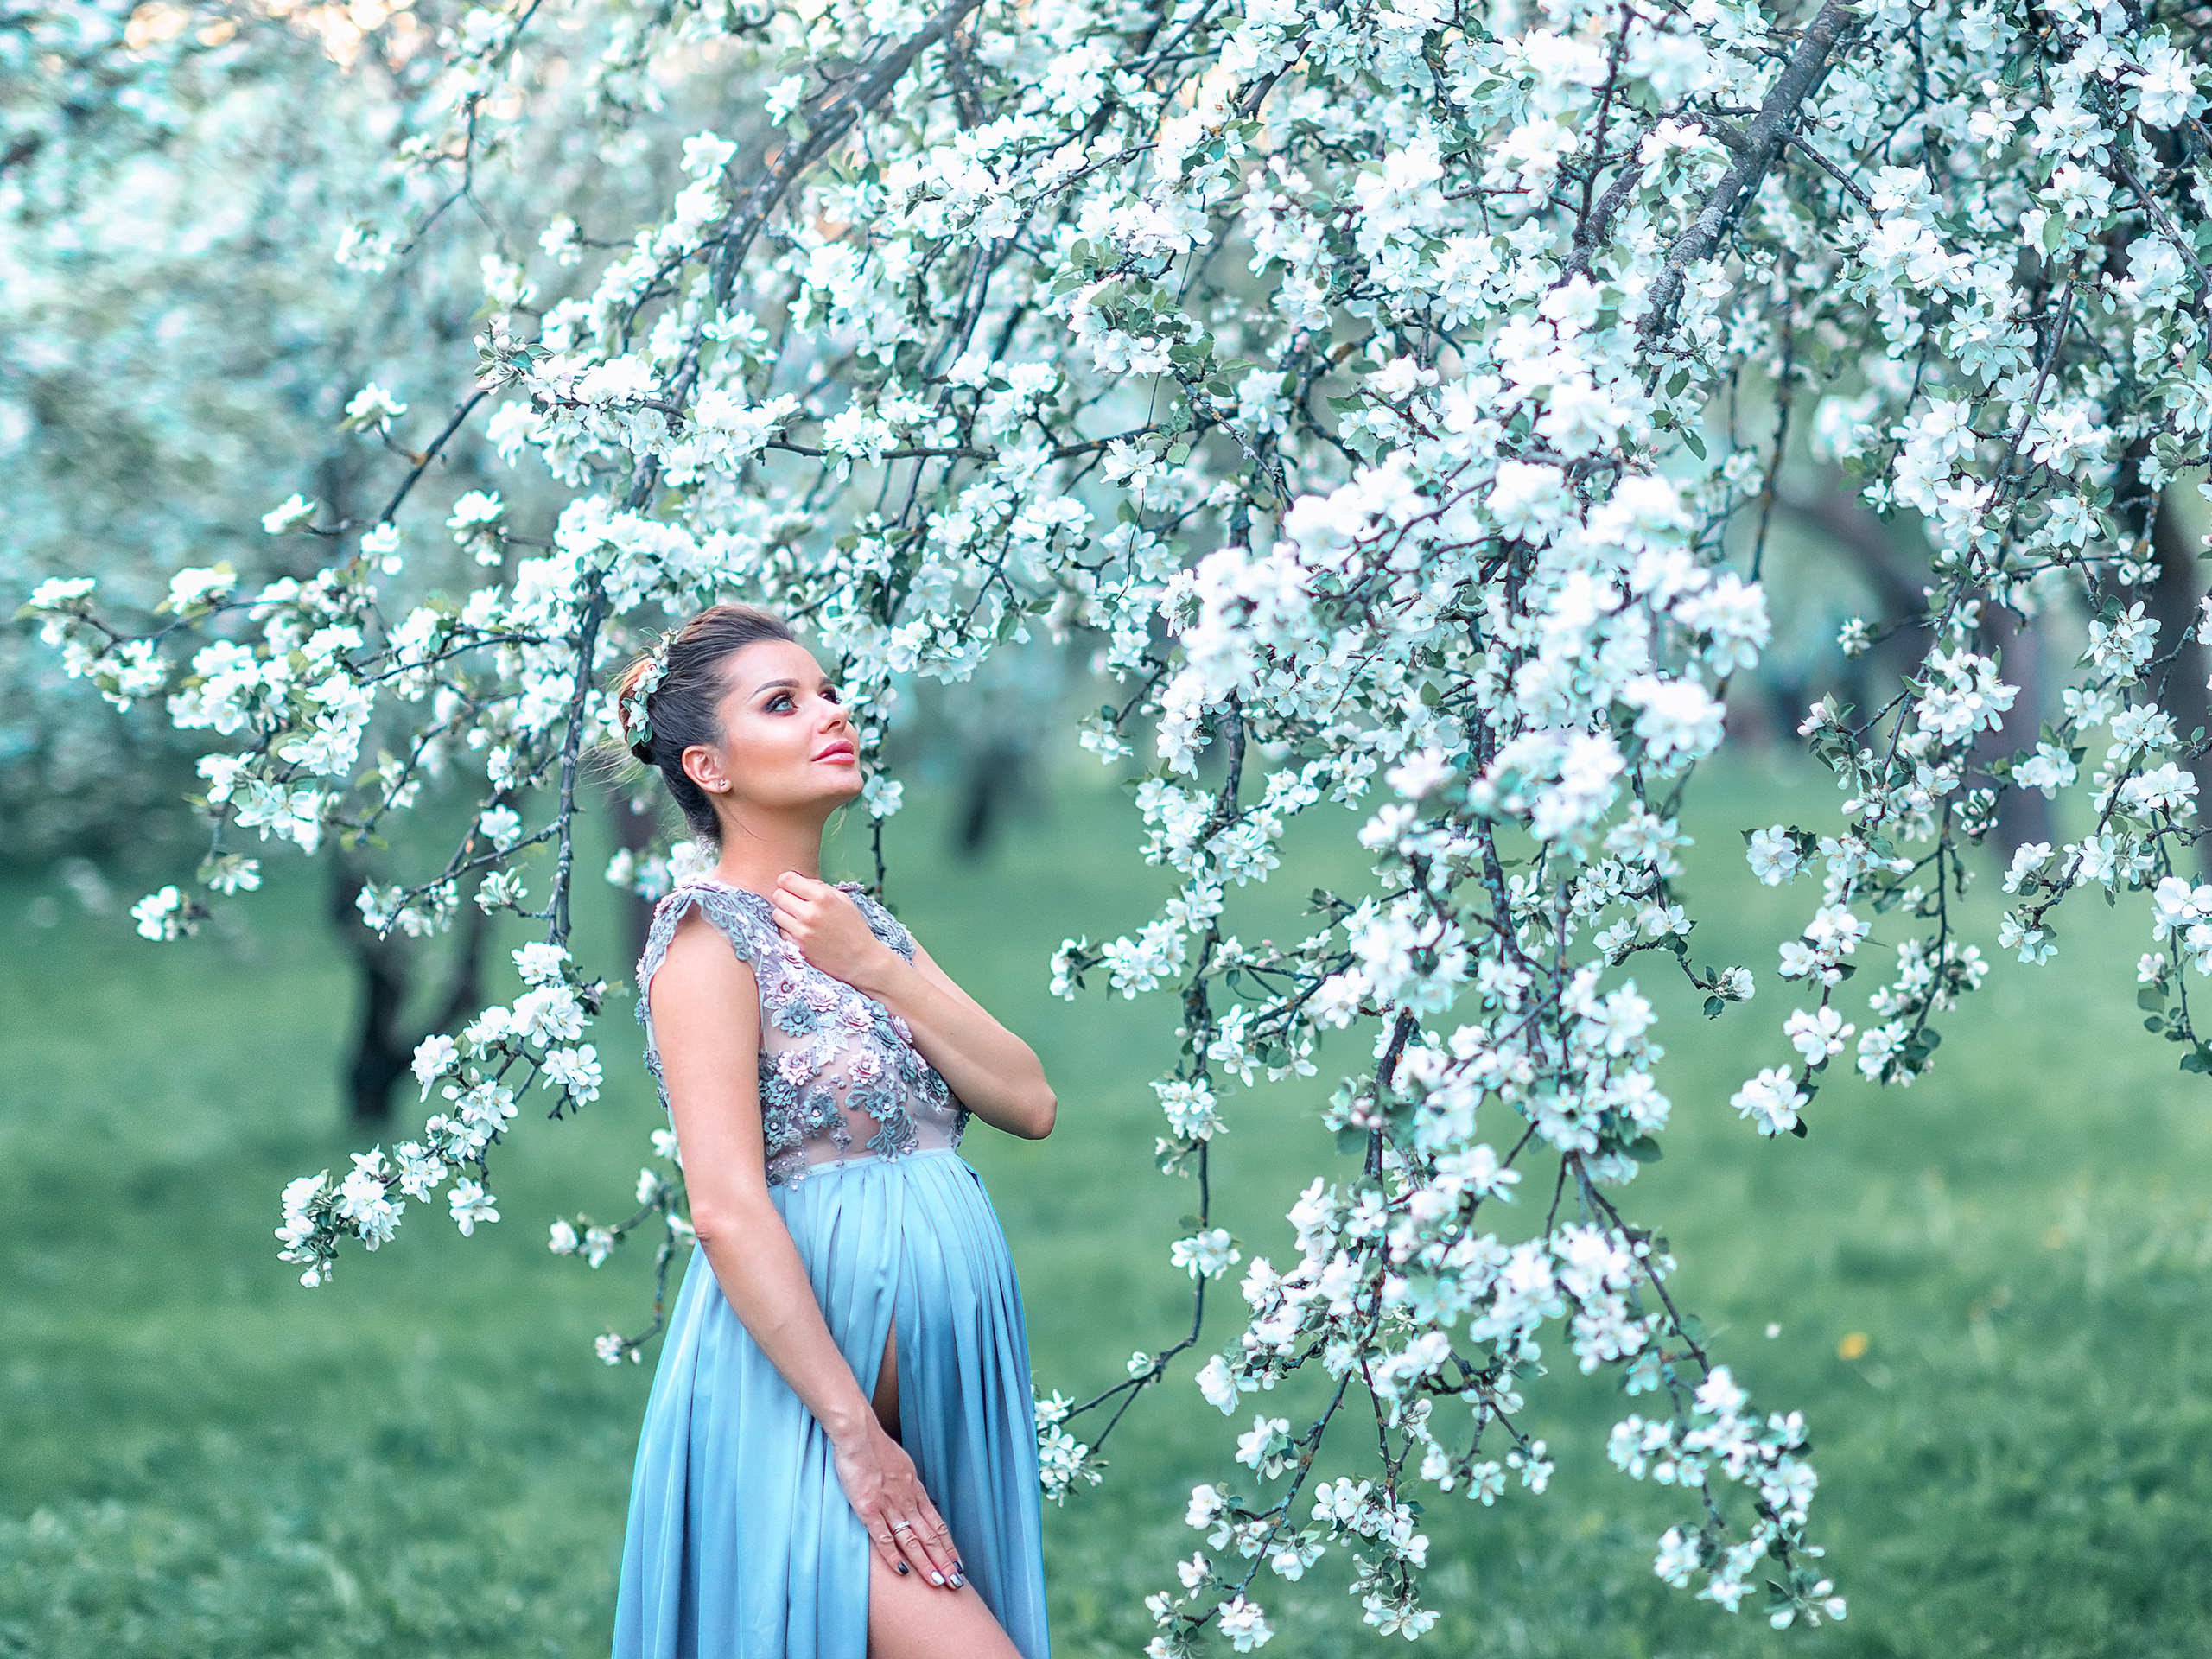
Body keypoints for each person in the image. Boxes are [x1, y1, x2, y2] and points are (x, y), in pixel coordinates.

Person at [607, 602, 1056, 1659]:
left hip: (945, 1405)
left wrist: (874, 965)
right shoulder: (706, 944)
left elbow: (1027, 1101)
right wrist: (858, 1441)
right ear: (709, 768)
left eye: (827, 690)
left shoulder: (866, 926)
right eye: (783, 702)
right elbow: (721, 1206)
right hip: (803, 1421)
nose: (829, 713)